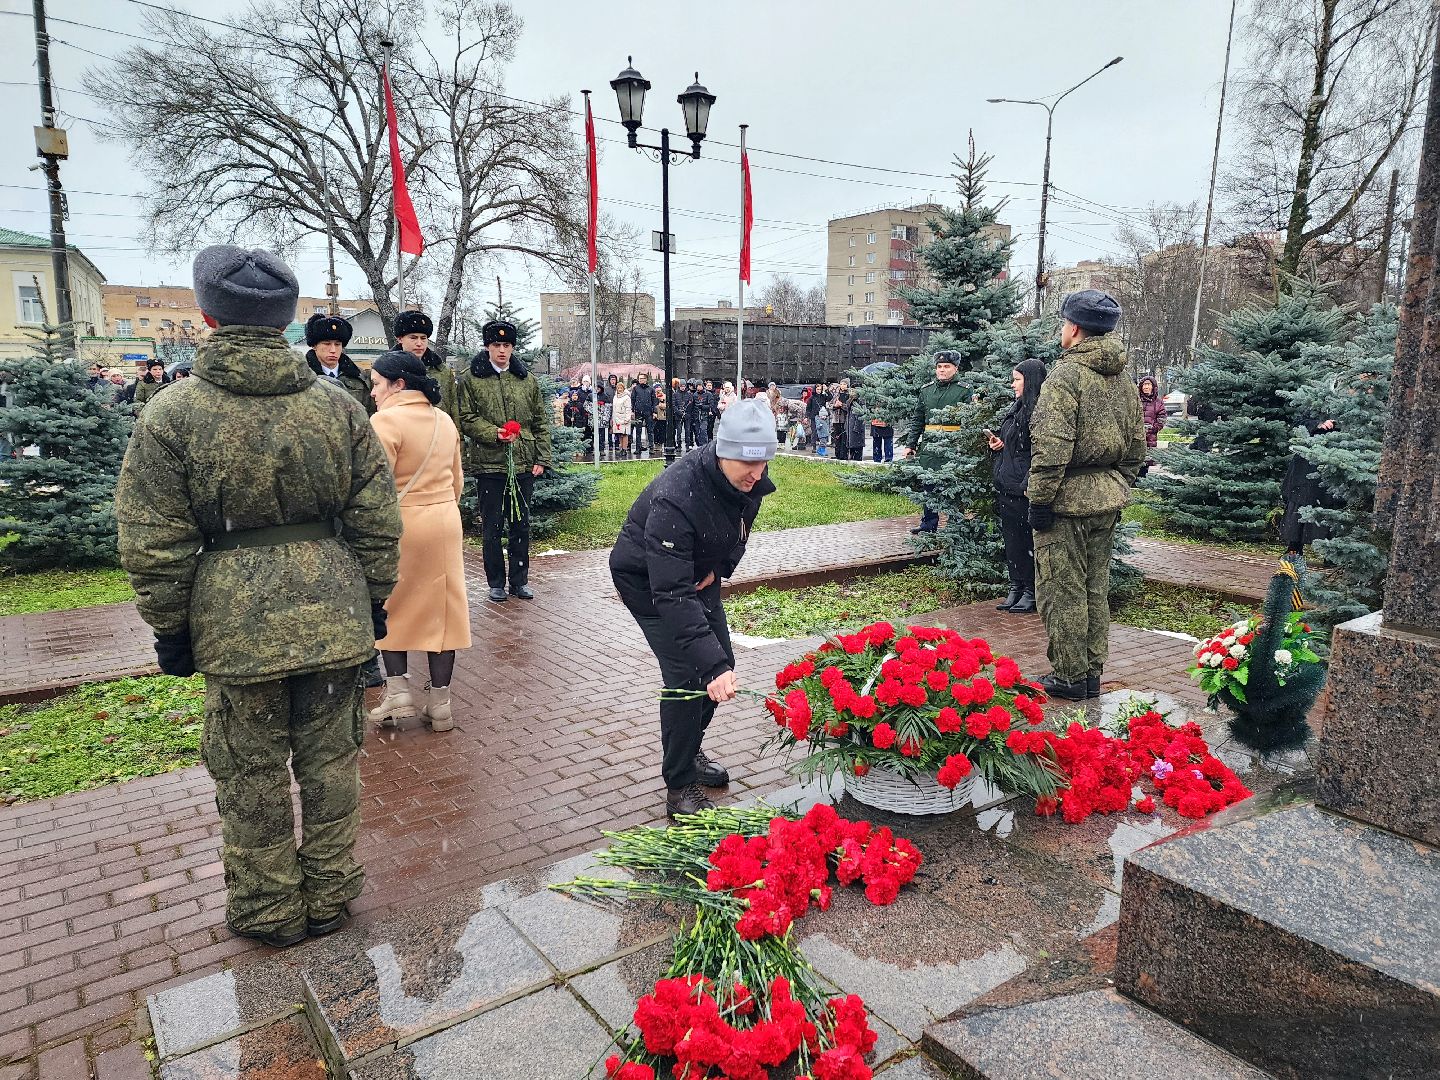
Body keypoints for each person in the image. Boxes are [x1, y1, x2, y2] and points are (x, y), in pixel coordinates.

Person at [115, 245, 402, 947]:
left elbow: (153, 538)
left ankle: (269, 908)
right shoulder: (337, 409)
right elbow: (377, 521)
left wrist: (171, 627)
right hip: (334, 614)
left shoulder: (173, 413)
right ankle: (330, 892)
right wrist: (370, 599)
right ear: (285, 321)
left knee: (250, 774)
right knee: (332, 764)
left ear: (208, 314)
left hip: (234, 624)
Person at [609, 398, 777, 819]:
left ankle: (689, 745)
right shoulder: (676, 495)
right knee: (689, 674)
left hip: (697, 573)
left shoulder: (748, 481)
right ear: (722, 450)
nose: (756, 475)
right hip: (648, 581)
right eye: (746, 464)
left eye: (763, 464)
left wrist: (719, 566)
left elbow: (738, 531)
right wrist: (710, 667)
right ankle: (680, 784)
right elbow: (670, 594)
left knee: (724, 659)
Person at [1028, 290, 1146, 701]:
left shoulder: (1066, 375)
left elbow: (1051, 444)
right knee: (1096, 588)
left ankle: (1070, 675)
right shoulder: (1124, 378)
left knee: (1062, 590)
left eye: (1064, 324)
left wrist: (1039, 499)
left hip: (1066, 500)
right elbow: (1136, 445)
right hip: (1106, 497)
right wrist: (1119, 484)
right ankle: (1091, 671)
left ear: (1074, 329)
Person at [366, 350, 471, 733]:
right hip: (445, 519)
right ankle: (440, 704)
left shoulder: (384, 422)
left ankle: (398, 694)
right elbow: (457, 480)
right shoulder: (443, 420)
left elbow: (373, 489)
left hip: (402, 522)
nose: (373, 392)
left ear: (399, 384)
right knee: (444, 612)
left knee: (392, 604)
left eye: (377, 384)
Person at [459, 319, 551, 602]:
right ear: (487, 346)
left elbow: (539, 420)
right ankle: (496, 582)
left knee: (521, 524)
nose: (502, 350)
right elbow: (466, 417)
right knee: (492, 526)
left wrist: (542, 457)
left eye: (507, 345)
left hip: (524, 463)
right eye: (496, 345)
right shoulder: (472, 379)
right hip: (490, 465)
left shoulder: (526, 380)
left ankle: (519, 580)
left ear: (512, 347)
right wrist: (493, 433)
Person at [989, 359, 1049, 615]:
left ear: (1031, 381)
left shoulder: (1040, 412)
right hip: (1007, 484)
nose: (1012, 384)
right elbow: (1015, 446)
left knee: (1028, 542)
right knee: (1013, 541)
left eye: (1017, 379)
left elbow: (1042, 453)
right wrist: (998, 445)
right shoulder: (1016, 409)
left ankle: (1031, 592)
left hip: (1025, 488)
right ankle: (1017, 585)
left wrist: (1028, 483)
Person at [900, 350, 969, 533]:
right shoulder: (926, 390)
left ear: (955, 368)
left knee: (953, 489)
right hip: (929, 448)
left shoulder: (964, 390)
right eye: (939, 367)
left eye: (947, 366)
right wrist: (910, 445)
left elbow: (969, 423)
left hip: (953, 448)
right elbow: (918, 420)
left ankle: (956, 526)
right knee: (928, 488)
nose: (942, 370)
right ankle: (928, 525)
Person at [394, 310, 460, 432]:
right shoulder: (386, 370)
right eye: (413, 338)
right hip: (400, 439)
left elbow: (454, 411)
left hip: (438, 439)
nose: (419, 343)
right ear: (400, 339)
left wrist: (458, 445)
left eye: (423, 338)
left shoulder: (442, 371)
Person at [305, 313, 373, 414]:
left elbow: (370, 411)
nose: (333, 350)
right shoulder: (303, 375)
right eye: (327, 344)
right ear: (314, 346)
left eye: (337, 344)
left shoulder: (359, 376)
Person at [1137, 375, 1166, 473]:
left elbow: (1162, 419)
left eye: (1148, 384)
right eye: (1144, 385)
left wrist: (1153, 429)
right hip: (1136, 436)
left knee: (1146, 460)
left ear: (1153, 387)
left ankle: (1142, 481)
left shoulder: (1158, 403)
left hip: (1150, 437)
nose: (1146, 387)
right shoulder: (1136, 400)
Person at [630, 371, 655, 451]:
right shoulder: (635, 389)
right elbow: (632, 400)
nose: (641, 380)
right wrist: (632, 411)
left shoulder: (651, 389)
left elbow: (654, 401)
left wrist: (654, 412)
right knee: (638, 431)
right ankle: (638, 448)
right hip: (638, 413)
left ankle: (651, 447)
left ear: (646, 379)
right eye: (640, 378)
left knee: (650, 431)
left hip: (649, 413)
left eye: (643, 378)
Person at [612, 376, 633, 457]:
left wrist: (627, 418)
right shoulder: (615, 397)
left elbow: (628, 408)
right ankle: (621, 448)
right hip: (616, 419)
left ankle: (625, 449)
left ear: (623, 388)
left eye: (621, 388)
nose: (619, 389)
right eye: (618, 388)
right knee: (619, 434)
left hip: (624, 418)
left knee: (624, 434)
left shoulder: (626, 397)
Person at [844, 390, 868, 461]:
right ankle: (852, 459)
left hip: (856, 428)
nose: (851, 392)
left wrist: (857, 427)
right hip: (850, 427)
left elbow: (861, 415)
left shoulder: (860, 401)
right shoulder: (850, 401)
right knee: (852, 447)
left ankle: (857, 460)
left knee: (857, 447)